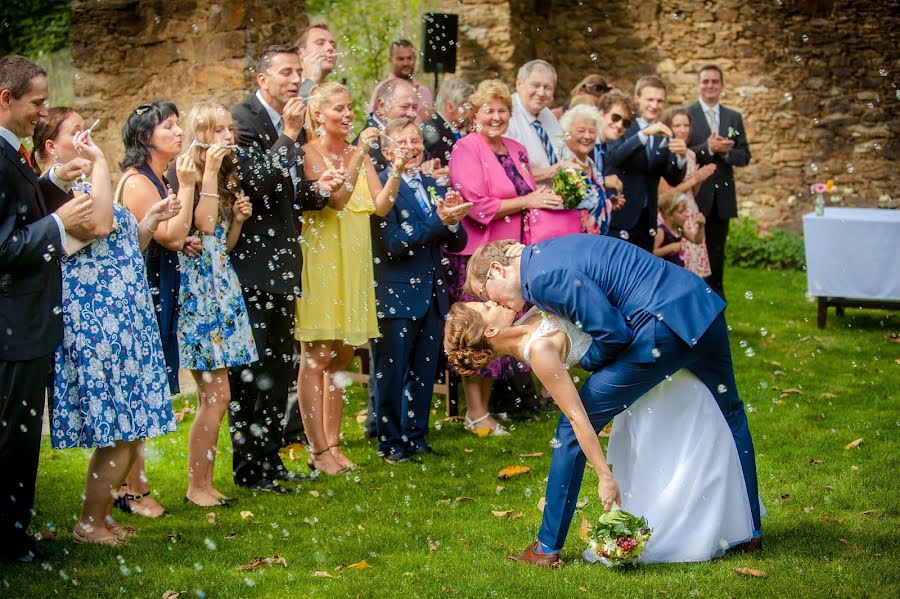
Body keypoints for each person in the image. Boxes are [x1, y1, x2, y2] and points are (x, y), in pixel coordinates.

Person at [465, 236, 762, 566]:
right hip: (698, 306)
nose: (494, 303)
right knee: (732, 412)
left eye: (483, 294)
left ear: (496, 270)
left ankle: (546, 548)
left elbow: (614, 334)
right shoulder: (543, 255)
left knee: (573, 427)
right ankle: (751, 531)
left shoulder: (542, 279)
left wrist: (586, 361)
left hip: (660, 331)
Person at [34, 108, 180, 546]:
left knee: (131, 426)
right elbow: (97, 227)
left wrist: (149, 221)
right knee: (119, 428)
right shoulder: (60, 198)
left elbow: (120, 249)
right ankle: (89, 523)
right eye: (76, 132)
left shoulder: (88, 187)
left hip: (125, 319)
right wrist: (98, 163)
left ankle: (99, 515)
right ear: (50, 147)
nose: (87, 137)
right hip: (99, 324)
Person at [229, 45, 337, 493]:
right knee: (251, 373)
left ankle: (270, 459)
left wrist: (317, 191)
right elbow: (256, 185)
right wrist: (290, 135)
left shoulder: (285, 125)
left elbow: (285, 194)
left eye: (298, 72)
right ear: (263, 79)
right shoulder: (246, 121)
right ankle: (248, 467)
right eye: (286, 72)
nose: (296, 80)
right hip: (253, 265)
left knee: (279, 366)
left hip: (284, 264)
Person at [0, 55, 90, 563]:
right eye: (36, 103)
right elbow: (5, 244)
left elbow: (23, 207)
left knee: (22, 433)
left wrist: (53, 180)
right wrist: (58, 226)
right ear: (5, 99)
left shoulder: (12, 153)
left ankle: (15, 529)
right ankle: (10, 540)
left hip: (26, 319)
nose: (43, 112)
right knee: (13, 435)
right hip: (12, 322)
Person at [295, 82, 407, 474]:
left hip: (354, 263)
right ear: (319, 114)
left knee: (342, 355)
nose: (347, 114)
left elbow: (379, 206)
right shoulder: (309, 153)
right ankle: (317, 448)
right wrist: (361, 150)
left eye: (350, 108)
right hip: (324, 262)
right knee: (317, 355)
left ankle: (335, 442)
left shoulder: (359, 155)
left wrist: (395, 171)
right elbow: (338, 199)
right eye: (339, 109)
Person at [447, 79, 560, 436]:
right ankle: (475, 412)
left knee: (503, 329)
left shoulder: (515, 148)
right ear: (475, 116)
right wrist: (528, 202)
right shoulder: (466, 148)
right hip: (480, 259)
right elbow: (476, 205)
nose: (496, 117)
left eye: (502, 111)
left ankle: (490, 408)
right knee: (480, 330)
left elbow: (528, 193)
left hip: (513, 257)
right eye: (489, 111)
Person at [370, 118, 470, 463]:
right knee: (392, 371)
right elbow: (394, 244)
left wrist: (453, 219)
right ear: (386, 151)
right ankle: (390, 442)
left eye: (415, 141)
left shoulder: (432, 184)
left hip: (432, 292)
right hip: (396, 292)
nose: (412, 147)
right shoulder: (382, 188)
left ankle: (417, 435)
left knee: (425, 368)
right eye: (402, 143)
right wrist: (437, 222)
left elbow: (456, 241)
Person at [175, 101, 259, 507]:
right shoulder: (189, 173)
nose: (230, 136)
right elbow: (203, 225)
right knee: (214, 396)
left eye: (230, 129)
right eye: (220, 130)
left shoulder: (223, 176)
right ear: (201, 134)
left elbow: (220, 245)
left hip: (221, 289)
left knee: (217, 396)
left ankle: (205, 484)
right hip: (198, 296)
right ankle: (196, 486)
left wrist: (238, 220)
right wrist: (210, 171)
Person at [119, 100, 197, 517]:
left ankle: (125, 486)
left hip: (156, 288)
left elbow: (169, 235)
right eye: (169, 126)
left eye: (178, 124)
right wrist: (186, 185)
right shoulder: (138, 182)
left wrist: (182, 240)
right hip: (143, 295)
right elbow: (167, 235)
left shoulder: (155, 177)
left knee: (148, 390)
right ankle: (135, 490)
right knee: (142, 391)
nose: (179, 132)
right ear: (146, 138)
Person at [687, 65, 751, 299]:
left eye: (715, 81)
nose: (710, 85)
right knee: (692, 254)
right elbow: (683, 152)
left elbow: (744, 156)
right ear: (699, 85)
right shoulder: (688, 114)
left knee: (716, 254)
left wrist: (725, 154)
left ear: (722, 86)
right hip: (696, 196)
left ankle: (716, 303)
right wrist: (708, 148)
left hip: (722, 199)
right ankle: (694, 301)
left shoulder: (733, 117)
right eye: (706, 81)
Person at [605, 76, 687, 252]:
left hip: (647, 219)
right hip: (620, 214)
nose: (654, 105)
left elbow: (672, 178)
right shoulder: (623, 124)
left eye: (659, 101)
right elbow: (616, 157)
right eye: (650, 99)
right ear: (637, 97)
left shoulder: (664, 132)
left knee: (641, 275)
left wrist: (681, 158)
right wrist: (644, 135)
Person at [658, 106, 716, 276]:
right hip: (671, 213)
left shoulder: (690, 154)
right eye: (677, 125)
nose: (682, 130)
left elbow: (692, 192)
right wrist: (695, 179)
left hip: (689, 210)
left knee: (694, 268)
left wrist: (699, 179)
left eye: (686, 125)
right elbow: (667, 192)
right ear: (668, 126)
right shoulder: (662, 152)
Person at [555, 103, 625, 238]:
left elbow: (590, 200)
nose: (587, 136)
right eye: (581, 131)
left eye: (592, 131)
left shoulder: (591, 164)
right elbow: (566, 205)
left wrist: (607, 202)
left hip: (596, 243)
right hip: (572, 242)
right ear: (567, 133)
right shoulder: (563, 163)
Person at [506, 60, 578, 185]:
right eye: (535, 85)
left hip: (555, 200)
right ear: (519, 84)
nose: (541, 92)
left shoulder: (547, 114)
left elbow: (563, 153)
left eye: (547, 87)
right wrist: (554, 170)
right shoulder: (506, 115)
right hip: (524, 200)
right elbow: (509, 170)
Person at [361, 77, 419, 172]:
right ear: (382, 106)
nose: (411, 114)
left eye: (415, 108)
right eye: (405, 107)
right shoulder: (367, 147)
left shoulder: (413, 138)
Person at [368, 39, 434, 123]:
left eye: (409, 58)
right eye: (401, 59)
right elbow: (374, 123)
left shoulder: (424, 92)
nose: (406, 63)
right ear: (390, 60)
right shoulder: (382, 89)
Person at [423, 76, 474, 166]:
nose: (470, 112)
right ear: (450, 107)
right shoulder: (432, 131)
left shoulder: (452, 129)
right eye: (466, 107)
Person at [654, 192, 706, 267]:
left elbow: (696, 240)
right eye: (681, 212)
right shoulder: (661, 231)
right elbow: (651, 253)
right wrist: (670, 248)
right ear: (668, 214)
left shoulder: (680, 228)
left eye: (686, 211)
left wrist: (701, 226)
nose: (686, 214)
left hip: (677, 266)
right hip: (664, 269)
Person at [297, 23, 338, 99]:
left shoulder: (333, 94)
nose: (330, 48)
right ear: (300, 53)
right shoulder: (288, 88)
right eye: (320, 43)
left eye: (333, 45)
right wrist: (312, 80)